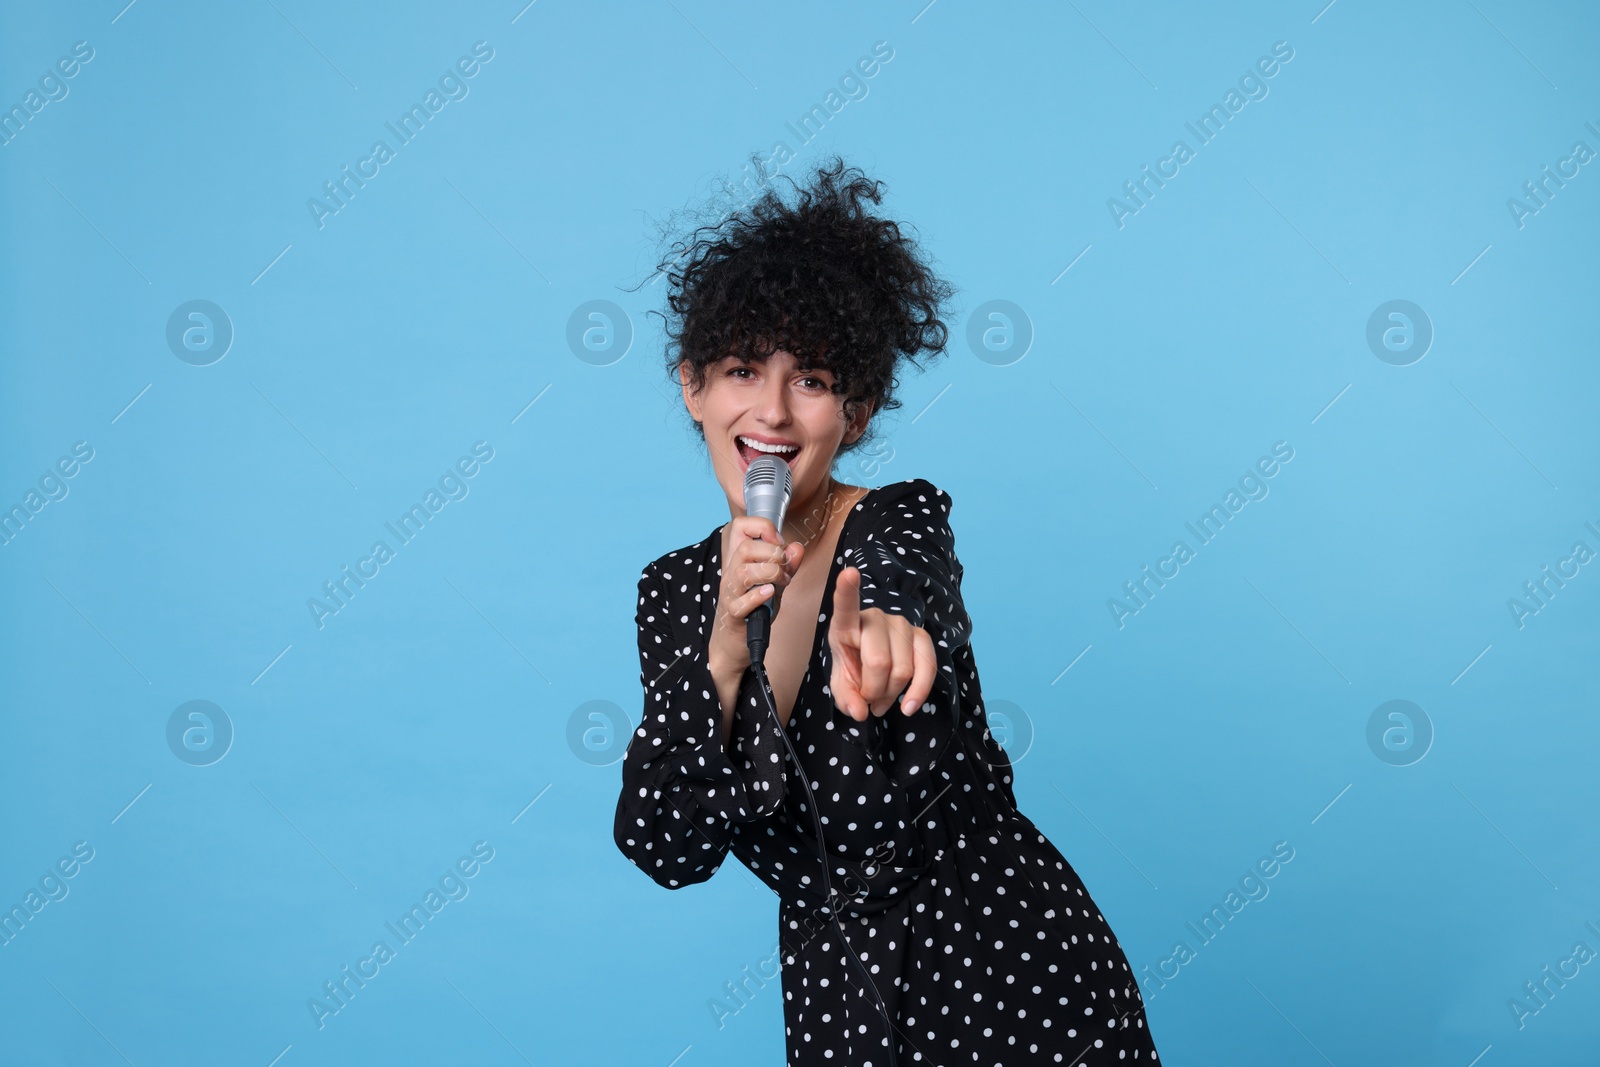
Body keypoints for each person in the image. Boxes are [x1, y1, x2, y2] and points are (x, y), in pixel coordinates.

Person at [614, 156, 1161, 1065]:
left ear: (856, 413)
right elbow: (668, 844)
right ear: (693, 386)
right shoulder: (672, 594)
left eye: (815, 380)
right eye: (744, 369)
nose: (775, 412)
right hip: (839, 992)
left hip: (1009, 955)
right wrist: (719, 656)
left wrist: (888, 628)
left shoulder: (897, 519)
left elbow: (908, 583)